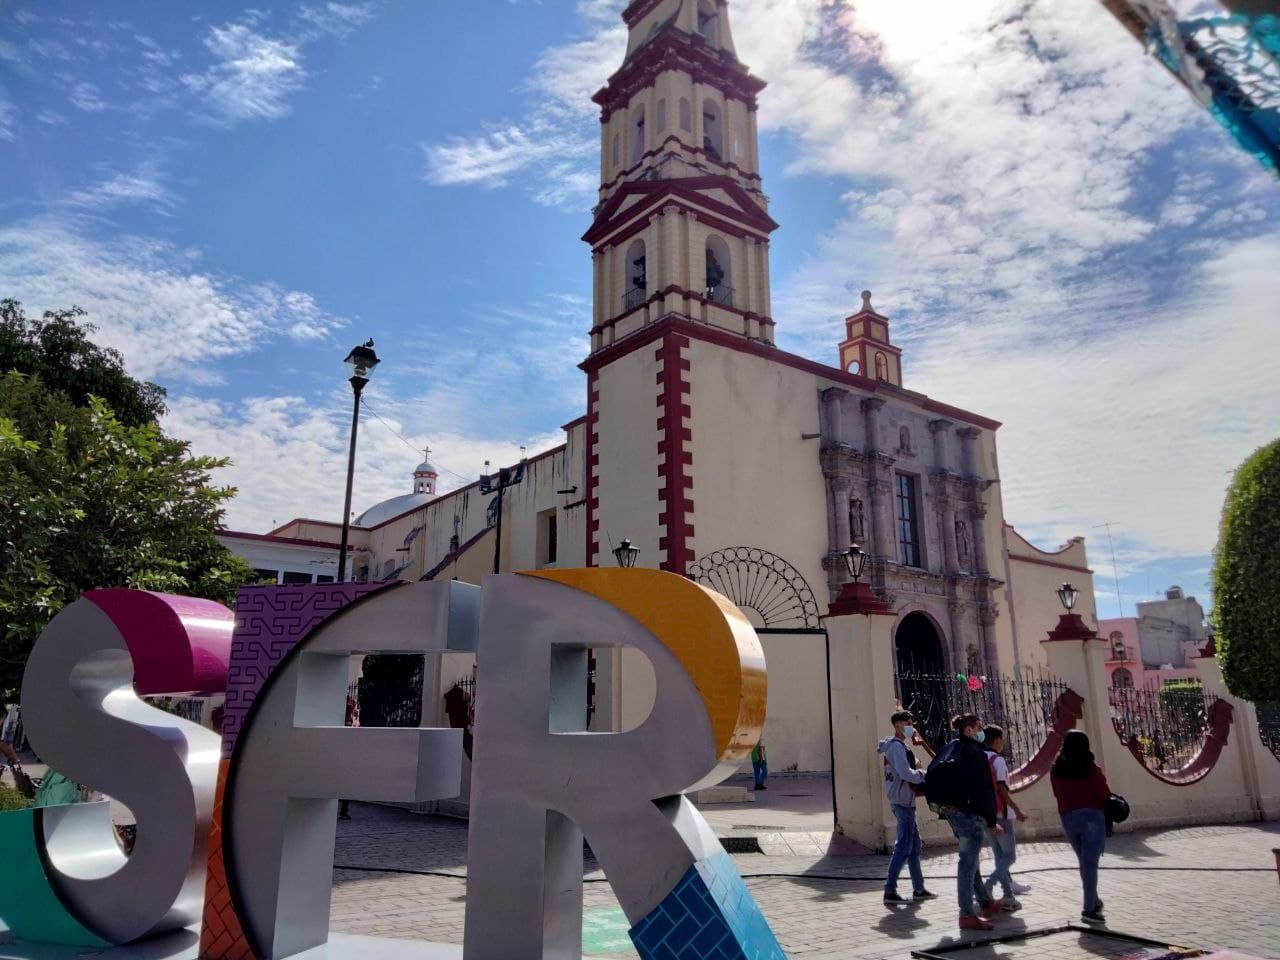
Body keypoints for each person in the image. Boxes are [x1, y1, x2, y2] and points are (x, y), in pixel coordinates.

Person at [926, 713, 1003, 931]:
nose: (981, 731)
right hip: (966, 812)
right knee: (968, 862)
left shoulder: (952, 746)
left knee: (971, 857)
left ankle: (985, 902)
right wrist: (990, 819)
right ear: (969, 730)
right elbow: (983, 788)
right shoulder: (974, 752)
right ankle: (967, 914)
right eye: (978, 727)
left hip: (950, 809)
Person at [1050, 730, 1111, 926]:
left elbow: (1057, 795)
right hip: (1092, 817)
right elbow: (1104, 793)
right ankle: (1089, 909)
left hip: (1068, 818)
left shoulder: (1056, 770)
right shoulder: (1090, 769)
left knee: (1084, 863)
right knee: (1090, 864)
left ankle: (1093, 900)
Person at [877, 710, 935, 904]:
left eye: (911, 722)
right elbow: (905, 773)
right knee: (904, 846)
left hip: (905, 800)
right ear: (897, 725)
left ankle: (918, 888)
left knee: (914, 846)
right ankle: (890, 890)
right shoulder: (896, 747)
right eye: (907, 723)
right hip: (902, 801)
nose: (910, 726)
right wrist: (923, 773)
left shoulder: (899, 746)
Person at [982, 725, 1027, 910]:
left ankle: (1008, 896)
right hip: (1002, 813)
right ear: (997, 740)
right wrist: (1016, 809)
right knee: (1009, 857)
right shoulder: (997, 760)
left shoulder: (979, 758)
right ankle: (988, 885)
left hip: (985, 813)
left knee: (999, 857)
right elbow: (1002, 787)